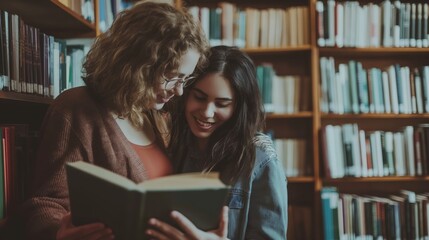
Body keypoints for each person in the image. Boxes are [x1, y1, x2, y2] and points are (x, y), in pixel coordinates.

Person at [16, 2, 228, 240]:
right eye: (171, 78)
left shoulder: (160, 115)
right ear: (138, 65)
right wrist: (58, 232)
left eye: (185, 79)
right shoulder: (77, 109)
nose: (178, 91)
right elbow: (44, 204)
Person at [148, 46, 288, 239]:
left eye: (222, 104)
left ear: (239, 108)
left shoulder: (261, 158)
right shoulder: (172, 142)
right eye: (199, 97)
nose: (207, 112)